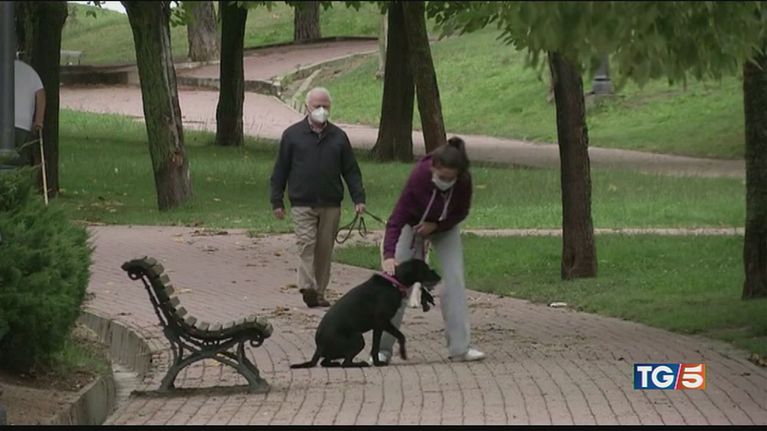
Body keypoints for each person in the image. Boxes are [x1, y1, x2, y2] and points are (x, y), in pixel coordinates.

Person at [378, 137, 485, 363]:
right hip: (412, 226)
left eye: (451, 179)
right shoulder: (419, 177)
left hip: (444, 228)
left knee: (454, 281)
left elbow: (461, 212)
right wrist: (389, 255)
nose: (446, 182)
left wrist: (437, 226)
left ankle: (460, 348)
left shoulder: (463, 180)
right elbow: (396, 219)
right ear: (434, 168)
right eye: (442, 177)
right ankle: (382, 350)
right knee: (396, 285)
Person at [270, 87, 366, 308]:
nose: (321, 110)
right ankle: (307, 286)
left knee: (324, 251)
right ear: (307, 107)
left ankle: (319, 293)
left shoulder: (339, 137)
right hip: (302, 203)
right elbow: (280, 170)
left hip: (331, 204)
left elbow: (351, 170)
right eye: (317, 106)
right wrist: (277, 200)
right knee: (306, 244)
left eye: (325, 106)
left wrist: (359, 198)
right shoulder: (292, 135)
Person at [13, 57, 46, 167]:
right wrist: (39, 120)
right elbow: (41, 94)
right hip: (23, 124)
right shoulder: (30, 72)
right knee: (21, 159)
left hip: (4, 121)